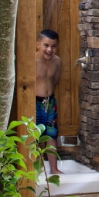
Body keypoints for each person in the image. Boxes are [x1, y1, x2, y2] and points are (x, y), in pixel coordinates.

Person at [36, 29, 62, 174]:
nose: (49, 49)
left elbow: (55, 80)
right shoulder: (32, 61)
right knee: (34, 136)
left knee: (52, 134)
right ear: (37, 44)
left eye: (53, 46)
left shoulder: (57, 61)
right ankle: (34, 170)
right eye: (46, 45)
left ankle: (54, 168)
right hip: (35, 101)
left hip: (50, 102)